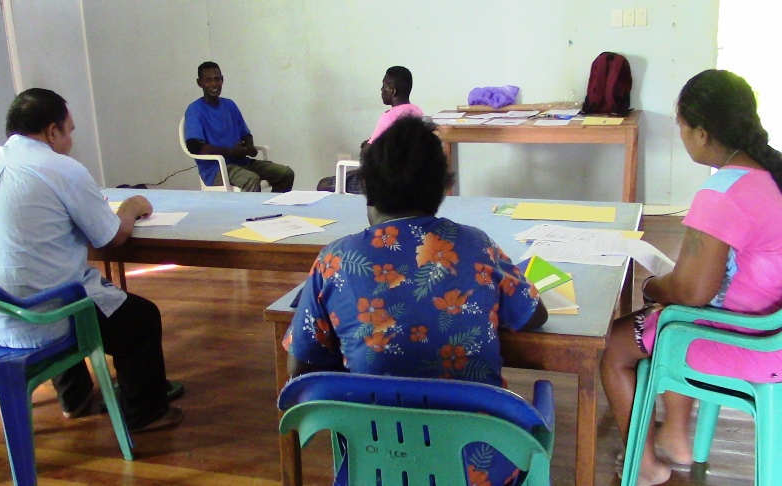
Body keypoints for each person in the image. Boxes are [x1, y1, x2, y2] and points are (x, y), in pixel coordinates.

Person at [285, 116, 548, 485]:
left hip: (375, 465)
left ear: (367, 188)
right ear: (443, 189)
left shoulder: (334, 261)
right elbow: (535, 315)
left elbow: (301, 372)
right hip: (476, 468)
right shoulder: (478, 246)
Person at [0, 88, 184, 432]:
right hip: (38, 318)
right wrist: (133, 206)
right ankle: (146, 414)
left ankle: (75, 400)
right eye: (70, 131)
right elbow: (112, 237)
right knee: (139, 319)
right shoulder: (62, 169)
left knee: (47, 276)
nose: (70, 140)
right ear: (52, 131)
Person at [600, 70, 782, 486]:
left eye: (681, 126)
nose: (681, 135)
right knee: (667, 316)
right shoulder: (770, 176)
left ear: (701, 133)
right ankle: (678, 438)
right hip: (771, 329)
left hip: (747, 342)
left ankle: (644, 464)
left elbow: (691, 291)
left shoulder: (721, 194)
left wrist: (652, 286)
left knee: (616, 342)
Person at [184, 61, 294, 192]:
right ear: (199, 83)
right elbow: (194, 147)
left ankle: (275, 209)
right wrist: (231, 152)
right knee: (251, 179)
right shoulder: (195, 110)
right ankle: (253, 213)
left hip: (242, 162)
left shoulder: (229, 105)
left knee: (285, 173)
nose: (214, 84)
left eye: (217, 79)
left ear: (222, 80)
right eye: (208, 80)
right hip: (216, 169)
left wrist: (249, 146)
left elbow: (246, 134)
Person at [317, 65, 425, 193]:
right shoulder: (417, 111)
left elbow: (366, 155)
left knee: (323, 184)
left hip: (384, 183)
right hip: (411, 179)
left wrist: (366, 146)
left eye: (384, 85)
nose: (381, 89)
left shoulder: (389, 117)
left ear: (393, 91)